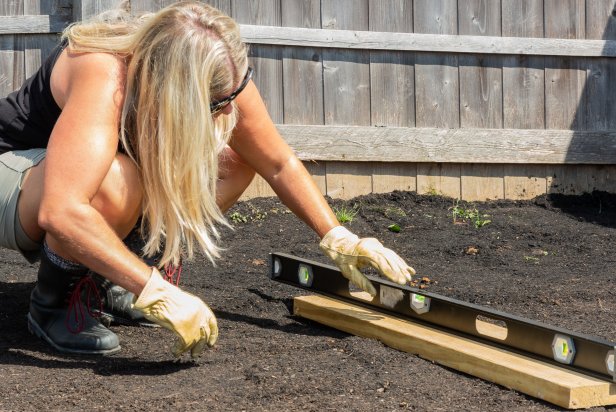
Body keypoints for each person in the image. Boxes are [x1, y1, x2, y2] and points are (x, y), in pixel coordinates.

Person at [0, 1, 415, 357]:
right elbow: (63, 209)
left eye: (231, 98)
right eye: (217, 104)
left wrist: (337, 236)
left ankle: (111, 281)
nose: (226, 113)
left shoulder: (222, 76)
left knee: (236, 160)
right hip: (15, 173)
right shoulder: (104, 73)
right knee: (115, 178)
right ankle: (54, 305)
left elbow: (276, 163)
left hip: (65, 187)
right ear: (178, 89)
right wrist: (157, 292)